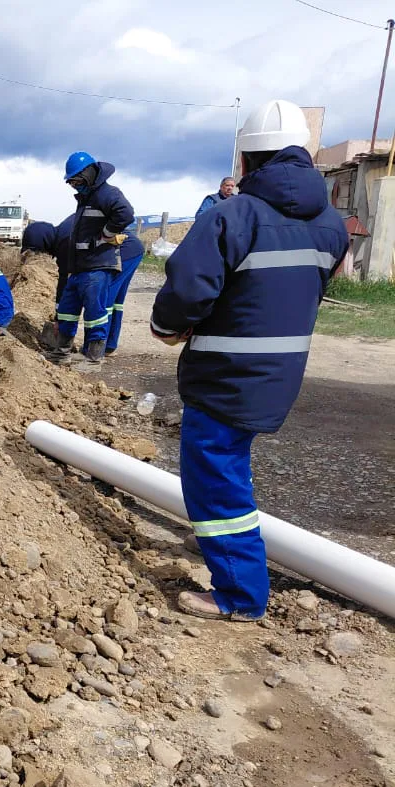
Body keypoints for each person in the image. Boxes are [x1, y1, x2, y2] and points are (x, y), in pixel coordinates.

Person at [150, 100, 347, 621]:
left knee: (215, 480)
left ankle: (239, 594)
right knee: (230, 473)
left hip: (223, 377)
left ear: (246, 161)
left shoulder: (231, 216)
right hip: (279, 376)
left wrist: (167, 329)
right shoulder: (331, 224)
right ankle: (227, 552)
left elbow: (186, 293)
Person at [51, 151, 135, 366]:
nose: (73, 185)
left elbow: (125, 213)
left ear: (87, 174)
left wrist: (107, 233)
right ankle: (62, 351)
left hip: (97, 266)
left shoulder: (107, 194)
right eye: (71, 182)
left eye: (76, 181)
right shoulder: (87, 197)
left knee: (95, 312)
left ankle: (94, 356)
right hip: (81, 268)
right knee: (67, 310)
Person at [104, 222, 145, 357]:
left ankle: (100, 345)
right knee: (116, 299)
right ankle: (109, 344)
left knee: (106, 296)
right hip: (134, 248)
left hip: (126, 250)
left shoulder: (74, 230)